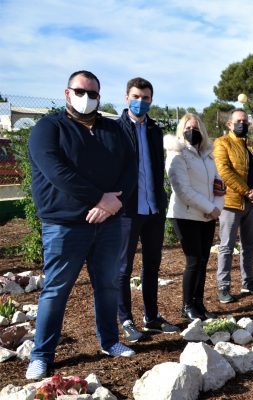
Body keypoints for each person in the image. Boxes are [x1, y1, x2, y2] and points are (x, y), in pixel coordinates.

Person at [25, 71, 136, 379]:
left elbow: (130, 168)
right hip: (65, 225)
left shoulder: (113, 130)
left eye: (93, 94)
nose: (86, 98)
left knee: (108, 284)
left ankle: (110, 341)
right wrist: (100, 199)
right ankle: (41, 355)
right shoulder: (48, 129)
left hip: (109, 224)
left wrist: (116, 201)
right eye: (80, 91)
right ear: (67, 92)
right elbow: (56, 172)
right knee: (56, 290)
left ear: (100, 97)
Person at [116, 77, 177, 342]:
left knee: (152, 266)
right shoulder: (114, 129)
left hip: (153, 209)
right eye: (136, 96)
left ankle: (151, 317)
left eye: (146, 97)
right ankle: (126, 319)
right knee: (123, 268)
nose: (141, 102)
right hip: (127, 211)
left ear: (151, 100)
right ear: (126, 97)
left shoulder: (154, 130)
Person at [164, 113, 224, 320]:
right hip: (186, 215)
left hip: (208, 215)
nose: (192, 131)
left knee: (204, 260)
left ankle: (199, 303)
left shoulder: (208, 154)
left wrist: (216, 207)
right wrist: (208, 207)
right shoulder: (177, 154)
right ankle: (187, 305)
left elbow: (219, 184)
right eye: (188, 128)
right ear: (182, 130)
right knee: (193, 260)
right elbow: (182, 189)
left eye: (196, 128)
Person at [214, 109, 253, 303]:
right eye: (238, 121)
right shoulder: (222, 144)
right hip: (231, 203)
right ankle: (223, 285)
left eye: (245, 121)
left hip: (252, 203)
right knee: (227, 246)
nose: (242, 124)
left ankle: (248, 282)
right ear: (229, 124)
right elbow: (224, 171)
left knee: (249, 245)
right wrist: (248, 191)